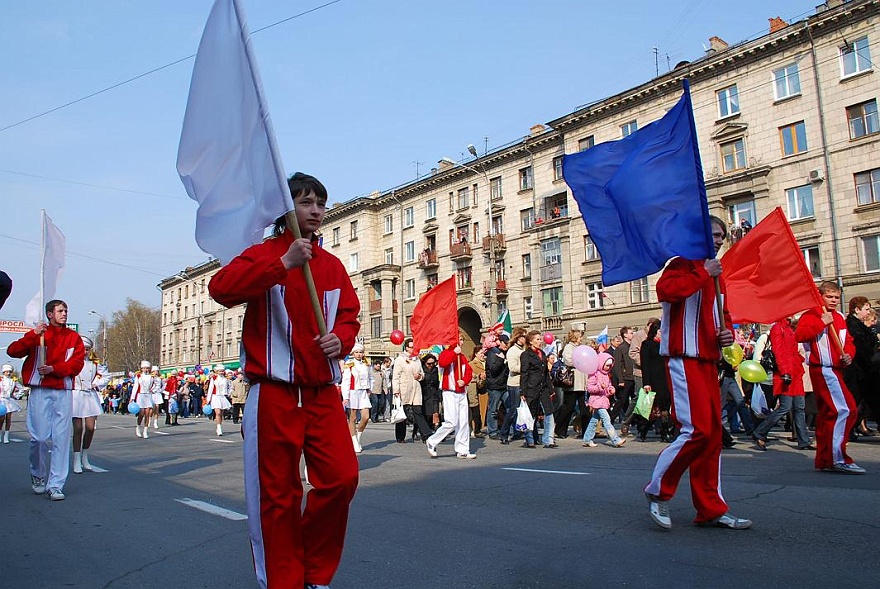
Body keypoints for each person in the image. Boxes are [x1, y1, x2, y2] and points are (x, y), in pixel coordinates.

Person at [209, 172, 360, 589]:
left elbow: (349, 315)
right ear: (286, 209)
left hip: (321, 393)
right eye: (306, 202)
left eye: (320, 203)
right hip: (273, 392)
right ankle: (283, 579)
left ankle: (314, 572)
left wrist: (341, 339)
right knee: (277, 496)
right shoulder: (265, 253)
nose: (315, 210)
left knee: (342, 478)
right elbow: (220, 289)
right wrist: (282, 264)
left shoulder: (331, 265)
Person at [644, 216, 752, 530]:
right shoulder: (681, 265)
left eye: (721, 236)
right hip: (682, 357)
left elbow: (724, 316)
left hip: (707, 361)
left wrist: (727, 334)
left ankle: (710, 508)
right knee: (697, 431)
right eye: (713, 235)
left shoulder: (718, 276)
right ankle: (658, 492)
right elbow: (667, 291)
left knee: (713, 436)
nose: (719, 240)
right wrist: (704, 272)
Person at [7, 299, 85, 501]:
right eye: (60, 310)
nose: (64, 314)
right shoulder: (39, 334)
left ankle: (56, 484)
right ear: (50, 313)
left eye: (66, 310)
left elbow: (76, 364)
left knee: (60, 439)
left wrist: (55, 370)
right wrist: (33, 336)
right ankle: (38, 474)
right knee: (39, 438)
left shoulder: (73, 337)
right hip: (40, 390)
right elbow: (12, 351)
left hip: (62, 390)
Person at [795, 281, 865, 474]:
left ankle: (826, 458)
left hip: (836, 369)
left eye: (836, 297)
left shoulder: (840, 317)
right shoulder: (811, 315)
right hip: (823, 369)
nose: (833, 300)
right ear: (820, 296)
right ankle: (837, 457)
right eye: (829, 296)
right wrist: (821, 322)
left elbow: (848, 341)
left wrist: (849, 354)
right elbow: (800, 335)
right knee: (844, 410)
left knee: (830, 414)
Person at [752, 316, 812, 451]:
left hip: (794, 372)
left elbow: (792, 350)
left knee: (799, 408)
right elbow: (778, 352)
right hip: (786, 373)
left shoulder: (789, 328)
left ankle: (804, 441)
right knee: (785, 407)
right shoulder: (778, 328)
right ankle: (760, 432)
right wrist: (785, 371)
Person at [426, 339, 474, 459]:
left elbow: (468, 371)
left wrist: (465, 381)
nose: (462, 343)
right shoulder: (446, 353)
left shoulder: (462, 357)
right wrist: (454, 353)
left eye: (462, 340)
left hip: (461, 392)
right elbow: (443, 363)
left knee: (463, 422)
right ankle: (432, 441)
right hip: (449, 392)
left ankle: (462, 449)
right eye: (460, 340)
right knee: (451, 422)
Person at [844, 297, 880, 438]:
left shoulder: (859, 325)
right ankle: (847, 430)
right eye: (866, 309)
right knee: (855, 403)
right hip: (859, 371)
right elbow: (861, 348)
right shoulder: (853, 325)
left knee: (867, 402)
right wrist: (873, 358)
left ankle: (849, 430)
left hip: (865, 370)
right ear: (857, 310)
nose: (868, 312)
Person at [71, 336, 107, 473]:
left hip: (90, 396)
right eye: (82, 349)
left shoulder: (94, 363)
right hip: (76, 396)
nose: (84, 352)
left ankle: (85, 456)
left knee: (91, 428)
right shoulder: (72, 362)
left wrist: (96, 384)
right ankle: (76, 458)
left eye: (87, 349)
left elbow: (106, 376)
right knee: (78, 428)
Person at [520, 331, 557, 448]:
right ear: (530, 341)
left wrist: (551, 388)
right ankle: (529, 439)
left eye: (540, 339)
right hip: (532, 388)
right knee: (531, 414)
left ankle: (548, 439)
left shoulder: (542, 353)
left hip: (544, 387)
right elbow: (524, 374)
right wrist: (523, 391)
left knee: (549, 412)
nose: (540, 341)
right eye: (537, 339)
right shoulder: (526, 355)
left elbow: (545, 373)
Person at [582, 352, 626, 448]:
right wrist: (599, 387)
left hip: (603, 400)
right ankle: (615, 439)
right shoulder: (593, 374)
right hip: (596, 400)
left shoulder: (606, 375)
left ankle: (587, 439)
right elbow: (589, 388)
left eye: (610, 366)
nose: (608, 367)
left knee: (594, 421)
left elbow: (607, 387)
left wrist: (610, 390)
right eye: (607, 365)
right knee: (606, 420)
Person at [392, 339, 430, 443]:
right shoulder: (400, 359)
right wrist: (396, 390)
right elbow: (396, 376)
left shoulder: (417, 359)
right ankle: (400, 436)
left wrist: (420, 376)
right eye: (411, 347)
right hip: (404, 388)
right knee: (402, 412)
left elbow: (422, 374)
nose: (413, 349)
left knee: (418, 410)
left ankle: (425, 434)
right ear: (407, 348)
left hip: (416, 387)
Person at [557, 329, 588, 439]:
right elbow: (568, 361)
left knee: (584, 407)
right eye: (580, 337)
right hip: (573, 381)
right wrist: (580, 360)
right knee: (568, 407)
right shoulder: (569, 347)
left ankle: (586, 431)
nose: (581, 339)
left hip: (582, 380)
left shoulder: (580, 348)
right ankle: (560, 429)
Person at [341, 343, 371, 453]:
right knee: (352, 418)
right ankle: (353, 441)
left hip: (363, 393)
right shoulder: (349, 364)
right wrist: (346, 397)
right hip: (353, 393)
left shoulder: (366, 364)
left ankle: (358, 436)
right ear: (353, 353)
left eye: (361, 352)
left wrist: (369, 389)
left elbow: (370, 378)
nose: (359, 354)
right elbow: (346, 381)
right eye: (357, 352)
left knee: (365, 417)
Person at [499, 327, 527, 444]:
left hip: (523, 383)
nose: (525, 339)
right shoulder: (512, 351)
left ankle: (519, 432)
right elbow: (512, 368)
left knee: (522, 409)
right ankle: (504, 433)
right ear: (518, 337)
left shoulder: (523, 350)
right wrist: (525, 369)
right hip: (514, 383)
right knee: (513, 410)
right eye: (523, 336)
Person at [484, 334, 510, 440]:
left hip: (504, 385)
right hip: (494, 386)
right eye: (505, 343)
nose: (506, 346)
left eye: (508, 344)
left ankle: (509, 429)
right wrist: (501, 360)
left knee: (510, 407)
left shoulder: (505, 353)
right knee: (493, 409)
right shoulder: (493, 352)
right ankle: (492, 431)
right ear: (500, 342)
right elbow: (493, 369)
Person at [1, 364, 26, 443]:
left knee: (8, 418)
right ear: (3, 372)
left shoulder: (13, 380)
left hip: (9, 401)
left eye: (9, 372)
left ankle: (6, 436)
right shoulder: (0, 380)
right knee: (1, 418)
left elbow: (21, 389)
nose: (8, 373)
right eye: (6, 372)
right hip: (1, 400)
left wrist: (15, 395)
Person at [130, 361, 155, 438]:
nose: (145, 369)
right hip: (140, 396)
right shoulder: (139, 376)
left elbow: (155, 385)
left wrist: (153, 389)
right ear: (141, 369)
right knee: (141, 414)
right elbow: (135, 387)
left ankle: (145, 431)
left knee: (147, 414)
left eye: (147, 368)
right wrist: (132, 397)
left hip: (148, 395)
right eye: (144, 368)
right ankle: (138, 426)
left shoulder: (152, 377)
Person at [205, 364, 232, 436]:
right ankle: (219, 427)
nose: (221, 372)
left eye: (222, 371)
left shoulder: (226, 379)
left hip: (223, 397)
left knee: (221, 413)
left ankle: (219, 425)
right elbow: (210, 389)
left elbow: (230, 387)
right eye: (220, 371)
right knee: (218, 412)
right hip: (215, 397)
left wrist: (229, 393)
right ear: (217, 371)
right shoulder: (213, 379)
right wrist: (208, 399)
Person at [467, 347, 486, 438]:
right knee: (474, 411)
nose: (483, 355)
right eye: (481, 353)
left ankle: (478, 428)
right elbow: (472, 379)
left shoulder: (485, 363)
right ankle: (475, 429)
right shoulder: (471, 364)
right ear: (476, 354)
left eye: (483, 353)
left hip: (483, 389)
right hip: (474, 391)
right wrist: (480, 378)